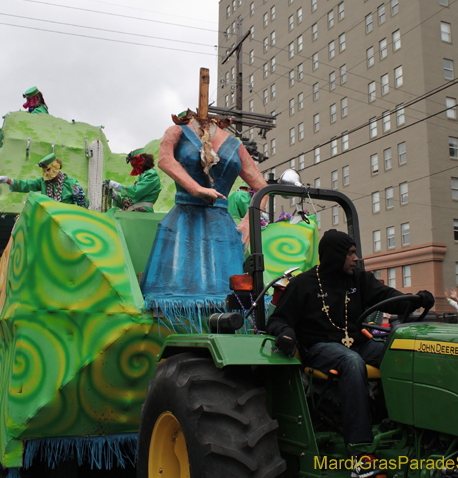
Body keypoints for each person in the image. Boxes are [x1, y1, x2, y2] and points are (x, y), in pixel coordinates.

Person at [266, 230, 435, 478]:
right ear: (336, 256)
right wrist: (285, 333)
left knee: (400, 353)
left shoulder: (358, 279)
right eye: (351, 253)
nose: (356, 259)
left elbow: (387, 297)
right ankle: (360, 452)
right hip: (320, 348)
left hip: (356, 343)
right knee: (351, 362)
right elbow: (278, 319)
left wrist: (414, 300)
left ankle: (409, 428)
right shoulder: (303, 284)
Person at [139, 109, 267, 310]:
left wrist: (249, 223)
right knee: (175, 289)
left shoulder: (235, 145)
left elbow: (262, 188)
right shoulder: (178, 131)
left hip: (221, 229)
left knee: (230, 294)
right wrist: (196, 188)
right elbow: (165, 160)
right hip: (183, 222)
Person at [0, 153, 88, 208]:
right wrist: (7, 180)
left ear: (56, 166)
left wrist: (80, 195)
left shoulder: (71, 182)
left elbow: (86, 205)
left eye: (48, 170)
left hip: (66, 222)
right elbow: (27, 185)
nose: (46, 174)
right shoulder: (43, 181)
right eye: (44, 171)